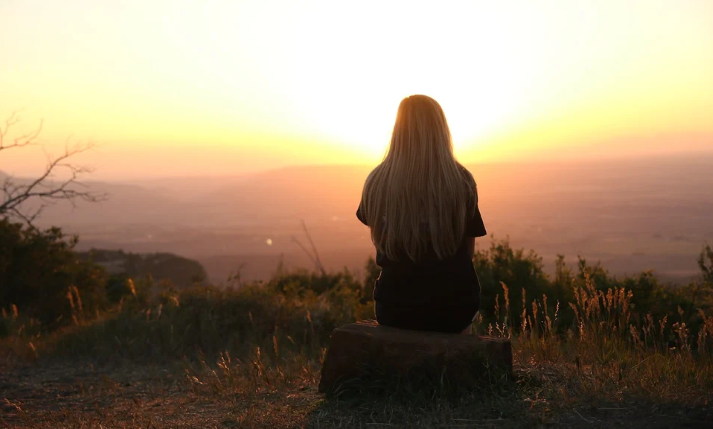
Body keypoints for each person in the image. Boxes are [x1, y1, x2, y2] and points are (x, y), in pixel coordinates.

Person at [356, 94, 487, 334]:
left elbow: (381, 241)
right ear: (441, 131)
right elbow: (468, 253)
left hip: (394, 307)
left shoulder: (376, 182)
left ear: (398, 130)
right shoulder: (462, 182)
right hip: (454, 308)